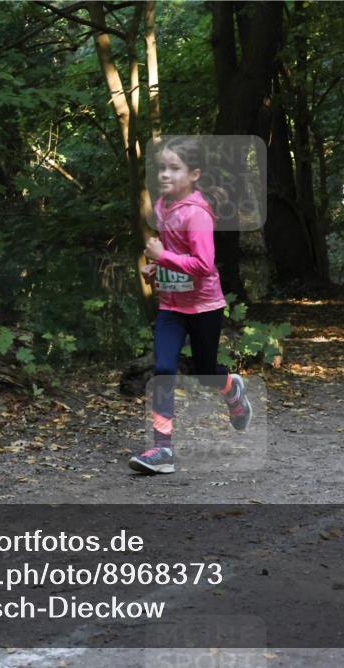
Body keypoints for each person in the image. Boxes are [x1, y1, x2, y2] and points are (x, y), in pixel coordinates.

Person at [129, 137, 252, 474]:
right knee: (165, 369)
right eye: (161, 169)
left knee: (204, 373)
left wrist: (162, 256)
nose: (165, 175)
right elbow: (174, 257)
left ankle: (232, 387)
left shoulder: (196, 215)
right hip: (171, 307)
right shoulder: (162, 207)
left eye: (174, 169)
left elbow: (204, 264)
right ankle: (162, 450)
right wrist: (155, 268)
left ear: (194, 173)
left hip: (204, 307)